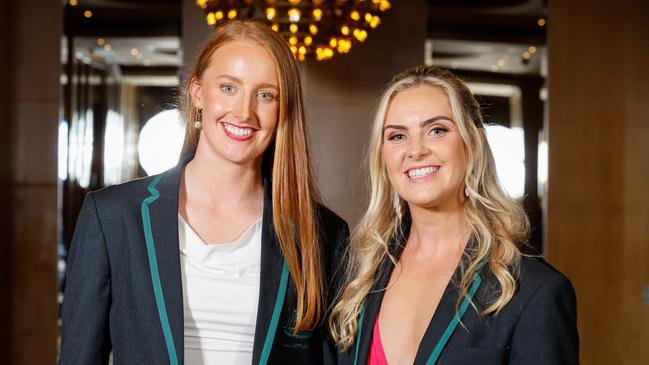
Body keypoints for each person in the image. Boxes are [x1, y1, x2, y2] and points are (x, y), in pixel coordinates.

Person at [60, 20, 348, 365]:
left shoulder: (323, 233)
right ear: (197, 93)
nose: (244, 111)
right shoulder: (113, 216)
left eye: (265, 95)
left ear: (283, 108)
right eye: (228, 87)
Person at [328, 66, 578, 364]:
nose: (416, 150)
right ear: (383, 157)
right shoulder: (357, 280)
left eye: (437, 130)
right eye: (397, 136)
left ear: (473, 144)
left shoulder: (536, 292)